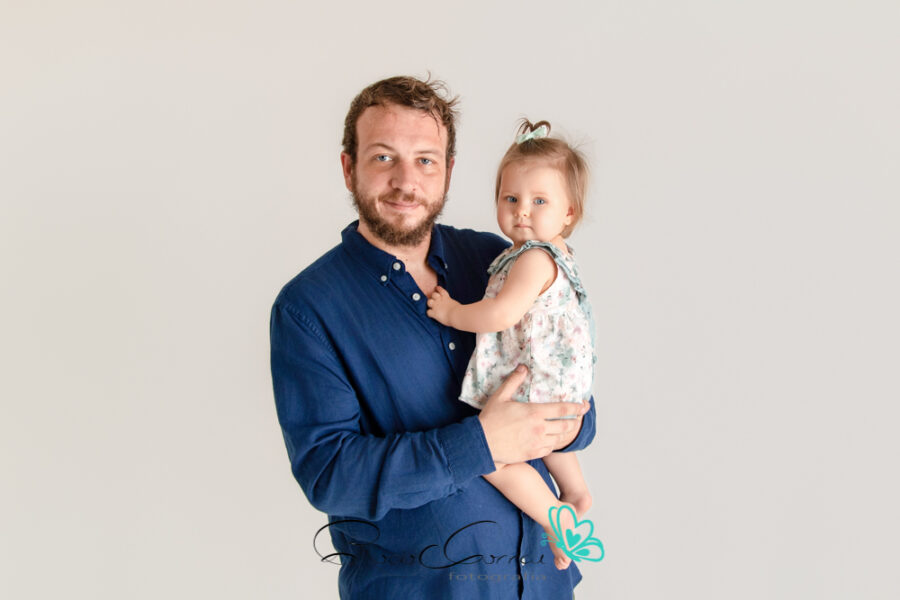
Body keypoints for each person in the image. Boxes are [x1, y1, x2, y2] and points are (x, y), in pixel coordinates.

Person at [270, 75, 595, 599]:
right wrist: (480, 445)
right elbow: (330, 475)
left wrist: (563, 424)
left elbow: (571, 384)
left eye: (425, 160)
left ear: (448, 170)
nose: (406, 181)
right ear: (349, 167)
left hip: (543, 584)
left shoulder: (497, 259)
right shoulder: (308, 309)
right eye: (383, 157)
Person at [426, 119, 594, 571]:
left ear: (569, 213)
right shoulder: (550, 254)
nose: (522, 211)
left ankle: (555, 516)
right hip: (557, 384)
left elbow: (501, 314)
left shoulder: (534, 259)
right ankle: (576, 492)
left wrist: (452, 313)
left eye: (539, 201)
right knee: (547, 441)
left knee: (488, 455)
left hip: (535, 383)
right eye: (511, 199)